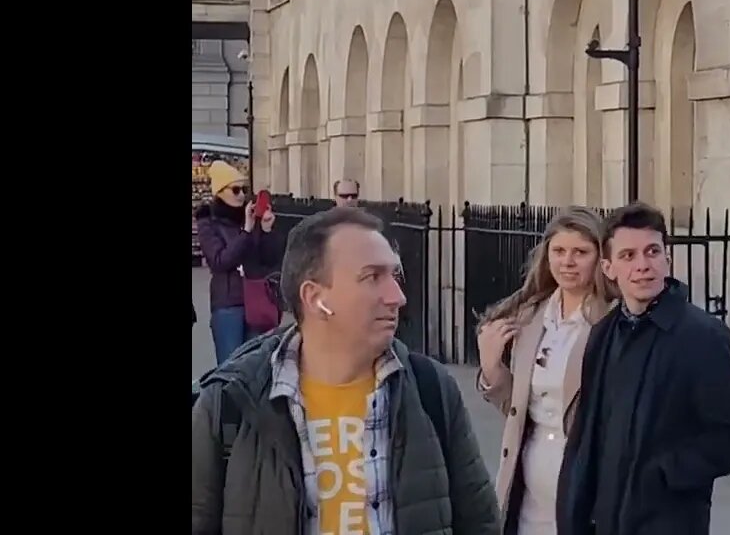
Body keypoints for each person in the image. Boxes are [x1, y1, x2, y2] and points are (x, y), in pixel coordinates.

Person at [191, 206, 501, 535]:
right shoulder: (231, 403)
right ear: (314, 297)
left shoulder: (430, 389)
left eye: (394, 276)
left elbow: (480, 522)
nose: (397, 296)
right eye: (372, 277)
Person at [557, 202, 730, 535]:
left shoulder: (701, 337)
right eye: (628, 256)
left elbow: (729, 439)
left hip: (667, 521)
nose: (643, 266)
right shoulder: (603, 334)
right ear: (608, 267)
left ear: (667, 259)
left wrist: (662, 474)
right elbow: (587, 432)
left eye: (652, 252)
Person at [475, 206, 616, 534]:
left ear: (599, 258)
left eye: (580, 252)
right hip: (529, 468)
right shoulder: (531, 315)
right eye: (559, 251)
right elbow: (517, 406)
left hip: (583, 471)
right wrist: (491, 367)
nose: (568, 262)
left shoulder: (610, 321)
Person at [196, 160, 286, 364]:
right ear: (220, 192)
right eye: (235, 190)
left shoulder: (252, 217)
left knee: (255, 366)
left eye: (244, 189)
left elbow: (270, 258)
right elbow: (219, 261)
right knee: (230, 367)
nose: (242, 195)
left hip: (257, 300)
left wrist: (265, 229)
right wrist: (246, 230)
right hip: (228, 303)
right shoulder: (208, 222)